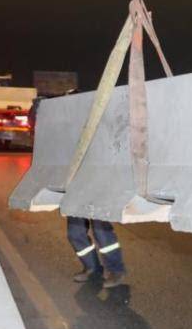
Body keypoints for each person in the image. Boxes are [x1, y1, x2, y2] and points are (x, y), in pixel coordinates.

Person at [29, 95, 128, 289]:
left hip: (96, 184)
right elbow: (37, 128)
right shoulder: (60, 132)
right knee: (75, 233)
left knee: (102, 231)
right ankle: (92, 268)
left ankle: (116, 270)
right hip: (74, 187)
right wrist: (38, 109)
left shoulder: (93, 126)